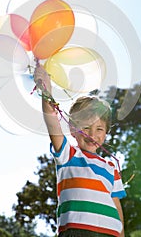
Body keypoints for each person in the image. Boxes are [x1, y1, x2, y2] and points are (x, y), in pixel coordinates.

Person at [34, 65, 126, 237]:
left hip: (110, 233)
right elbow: (52, 122)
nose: (92, 134)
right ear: (73, 129)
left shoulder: (111, 166)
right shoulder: (68, 154)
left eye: (99, 129)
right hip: (77, 231)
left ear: (106, 133)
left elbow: (116, 204)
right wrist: (46, 90)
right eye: (85, 127)